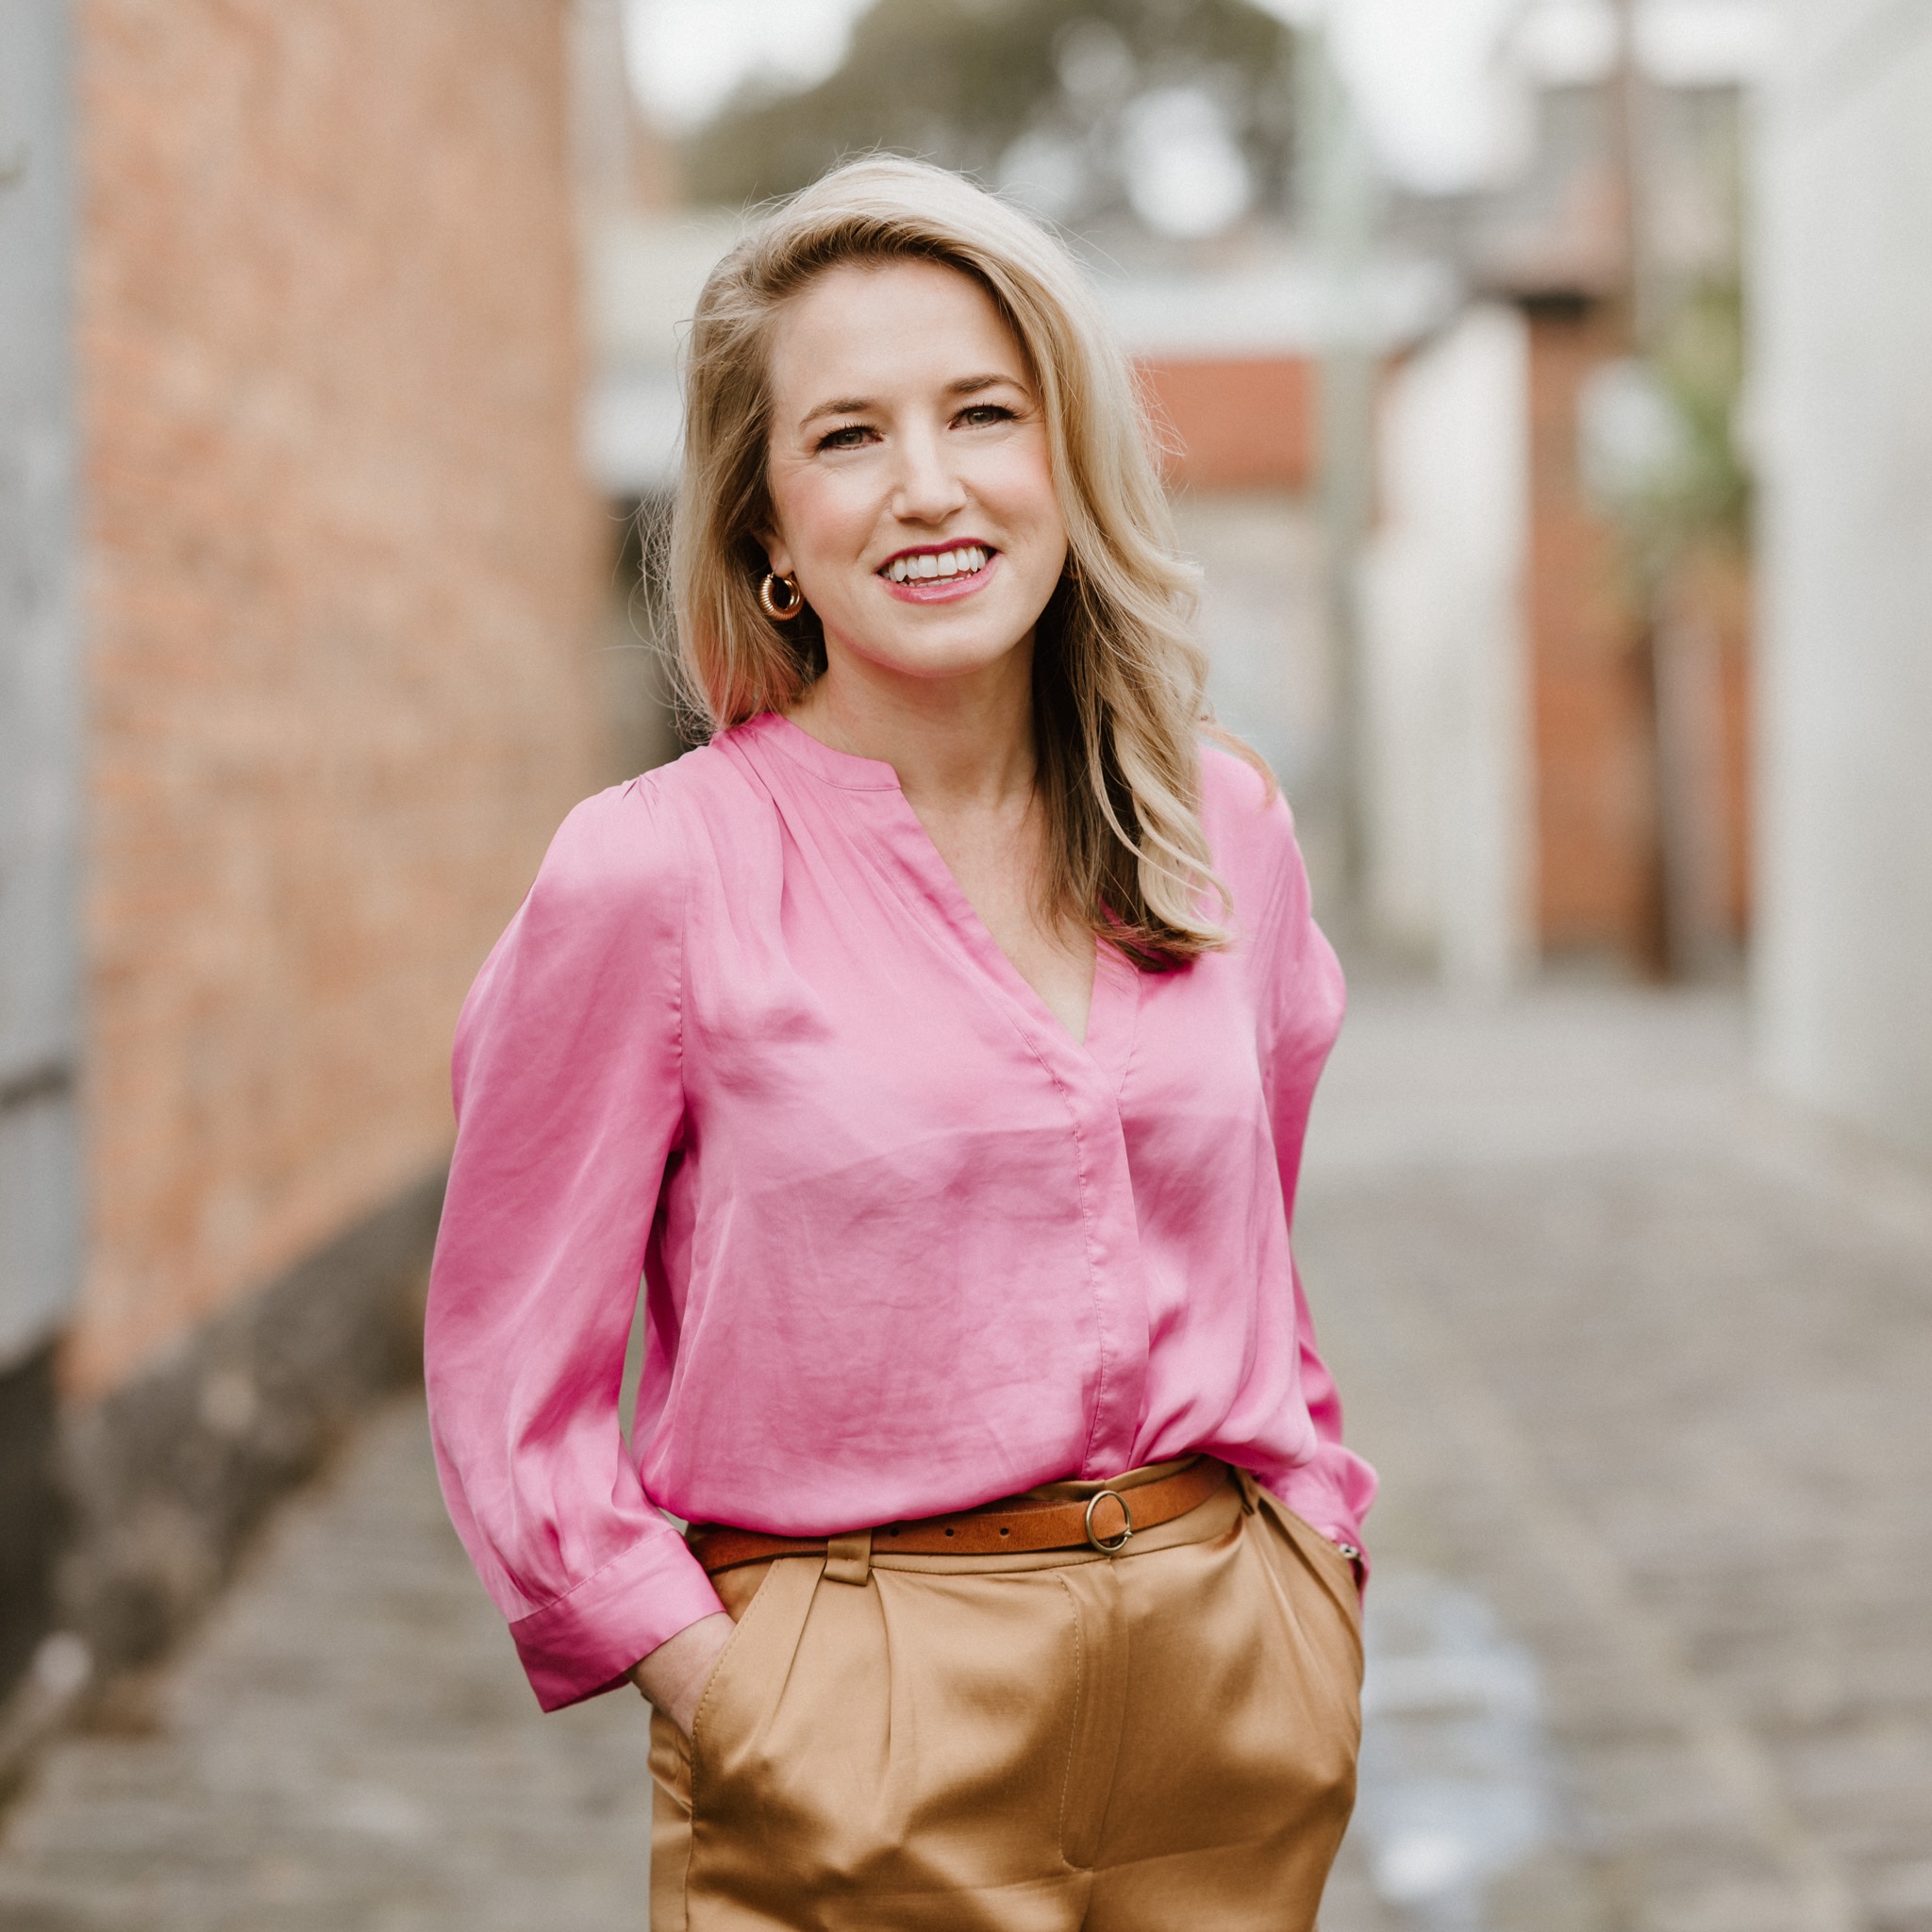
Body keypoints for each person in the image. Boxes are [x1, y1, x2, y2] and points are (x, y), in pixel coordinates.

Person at [425, 156, 1374, 1930]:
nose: (929, 486)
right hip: (849, 1708)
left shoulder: (1220, 825)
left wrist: (1311, 1540)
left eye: (984, 413)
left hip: (1226, 1693)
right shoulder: (652, 873)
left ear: (1069, 458)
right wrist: (732, 1690)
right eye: (848, 437)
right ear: (769, 530)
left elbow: (1260, 1239)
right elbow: (510, 1365)